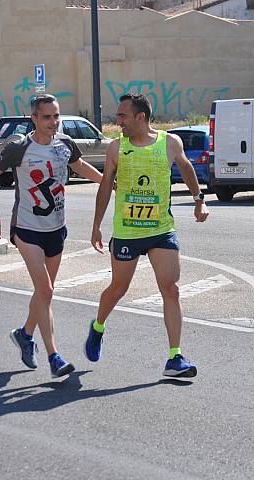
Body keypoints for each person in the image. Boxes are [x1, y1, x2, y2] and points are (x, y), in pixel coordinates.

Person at [85, 93, 209, 378]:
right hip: (128, 231)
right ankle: (98, 327)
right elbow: (105, 187)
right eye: (117, 116)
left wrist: (198, 199)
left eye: (122, 116)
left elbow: (187, 168)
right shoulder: (117, 148)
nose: (117, 122)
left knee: (171, 288)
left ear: (140, 117)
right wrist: (96, 225)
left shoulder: (169, 143)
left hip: (161, 230)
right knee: (118, 288)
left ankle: (175, 357)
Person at [0, 94, 104, 378]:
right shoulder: (19, 146)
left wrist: (107, 182)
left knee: (43, 294)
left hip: (56, 229)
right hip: (27, 229)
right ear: (33, 118)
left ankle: (24, 333)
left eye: (56, 116)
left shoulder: (64, 143)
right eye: (46, 117)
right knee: (46, 291)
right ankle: (54, 357)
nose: (53, 122)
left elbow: (78, 165)